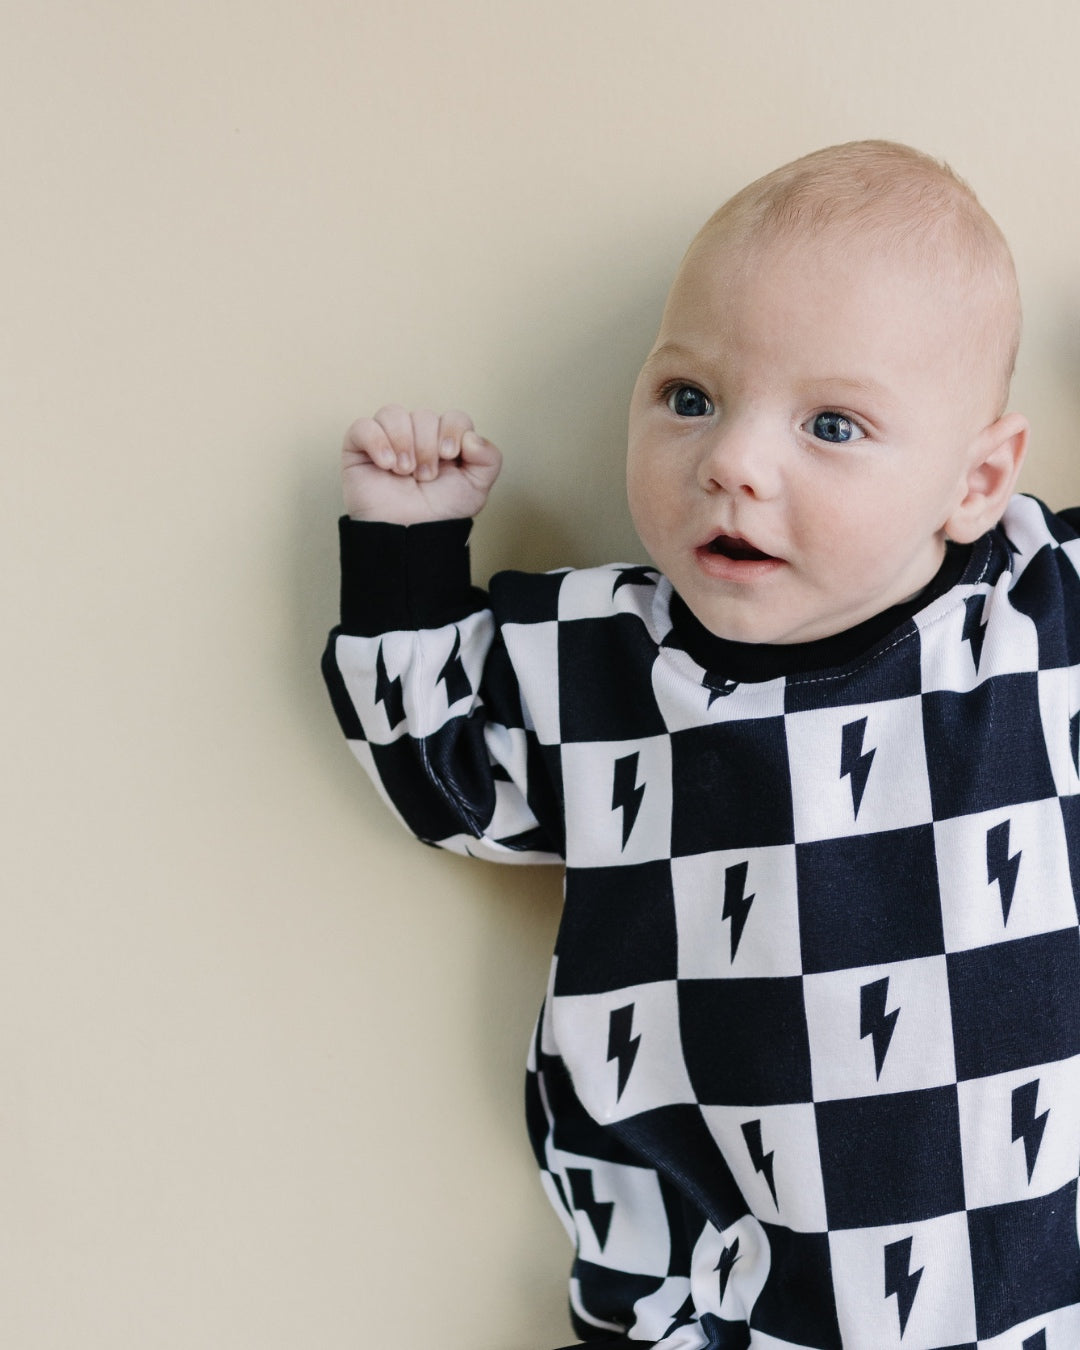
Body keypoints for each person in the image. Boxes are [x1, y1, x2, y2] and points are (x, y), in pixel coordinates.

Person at [321, 141, 1080, 1347]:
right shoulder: (605, 661)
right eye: (689, 399)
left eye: (833, 424)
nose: (731, 463)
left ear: (977, 479)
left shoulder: (1040, 612)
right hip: (729, 1300)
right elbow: (444, 772)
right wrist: (407, 551)